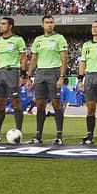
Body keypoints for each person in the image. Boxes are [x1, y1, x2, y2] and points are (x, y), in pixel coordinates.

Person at [27, 15, 68, 145]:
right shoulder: (38, 40)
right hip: (40, 73)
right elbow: (34, 60)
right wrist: (28, 76)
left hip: (54, 72)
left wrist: (61, 76)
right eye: (47, 22)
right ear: (42, 25)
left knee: (56, 104)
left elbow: (64, 60)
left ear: (54, 24)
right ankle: (38, 136)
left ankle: (59, 136)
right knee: (40, 105)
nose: (49, 25)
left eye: (51, 22)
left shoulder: (59, 38)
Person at [0, 17, 27, 143]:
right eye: (1, 24)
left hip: (12, 72)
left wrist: (23, 75)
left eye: (4, 24)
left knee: (16, 103)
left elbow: (23, 58)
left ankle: (19, 132)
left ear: (10, 26)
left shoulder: (18, 40)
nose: (1, 26)